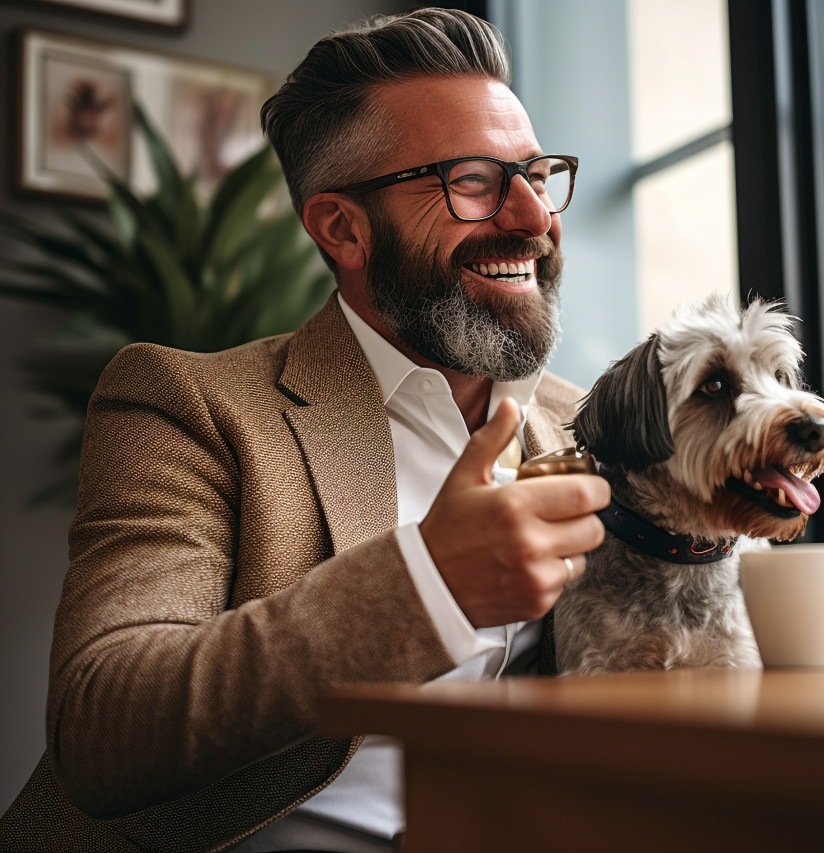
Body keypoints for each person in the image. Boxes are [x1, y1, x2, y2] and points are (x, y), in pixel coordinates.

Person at [0, 9, 609, 852]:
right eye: (474, 180)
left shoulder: (589, 424)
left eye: (537, 173)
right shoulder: (189, 405)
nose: (534, 216)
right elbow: (105, 721)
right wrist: (430, 582)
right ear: (342, 228)